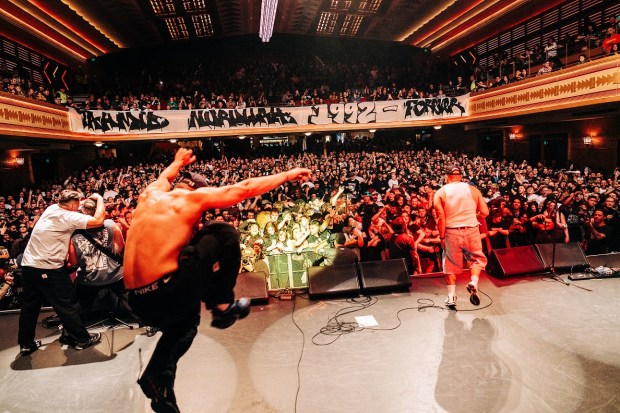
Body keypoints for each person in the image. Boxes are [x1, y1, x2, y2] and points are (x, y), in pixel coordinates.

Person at [123, 148, 310, 413]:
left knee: (185, 325)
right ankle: (222, 307)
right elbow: (243, 189)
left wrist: (177, 162)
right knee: (222, 232)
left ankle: (159, 382)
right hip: (167, 293)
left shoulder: (149, 195)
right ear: (196, 190)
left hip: (136, 302)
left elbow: (165, 177)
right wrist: (288, 175)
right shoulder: (189, 200)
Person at [17, 190, 105, 355]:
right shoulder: (68, 217)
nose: (78, 207)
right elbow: (98, 220)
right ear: (72, 205)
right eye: (77, 204)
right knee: (68, 303)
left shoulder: (51, 209)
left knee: (30, 306)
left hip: (28, 265)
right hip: (47, 268)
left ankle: (26, 343)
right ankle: (81, 339)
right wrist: (99, 199)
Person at [67, 199, 138, 327]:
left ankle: (76, 335)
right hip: (114, 274)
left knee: (81, 309)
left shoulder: (73, 232)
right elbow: (119, 247)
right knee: (131, 302)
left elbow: (73, 261)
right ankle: (149, 325)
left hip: (89, 278)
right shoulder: (110, 224)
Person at [433, 165, 489, 308]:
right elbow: (485, 212)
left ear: (447, 177)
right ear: (461, 177)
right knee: (476, 259)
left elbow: (440, 218)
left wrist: (441, 237)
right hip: (472, 229)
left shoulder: (440, 192)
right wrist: (473, 215)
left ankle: (451, 296)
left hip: (452, 232)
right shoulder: (473, 189)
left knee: (451, 264)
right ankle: (474, 282)